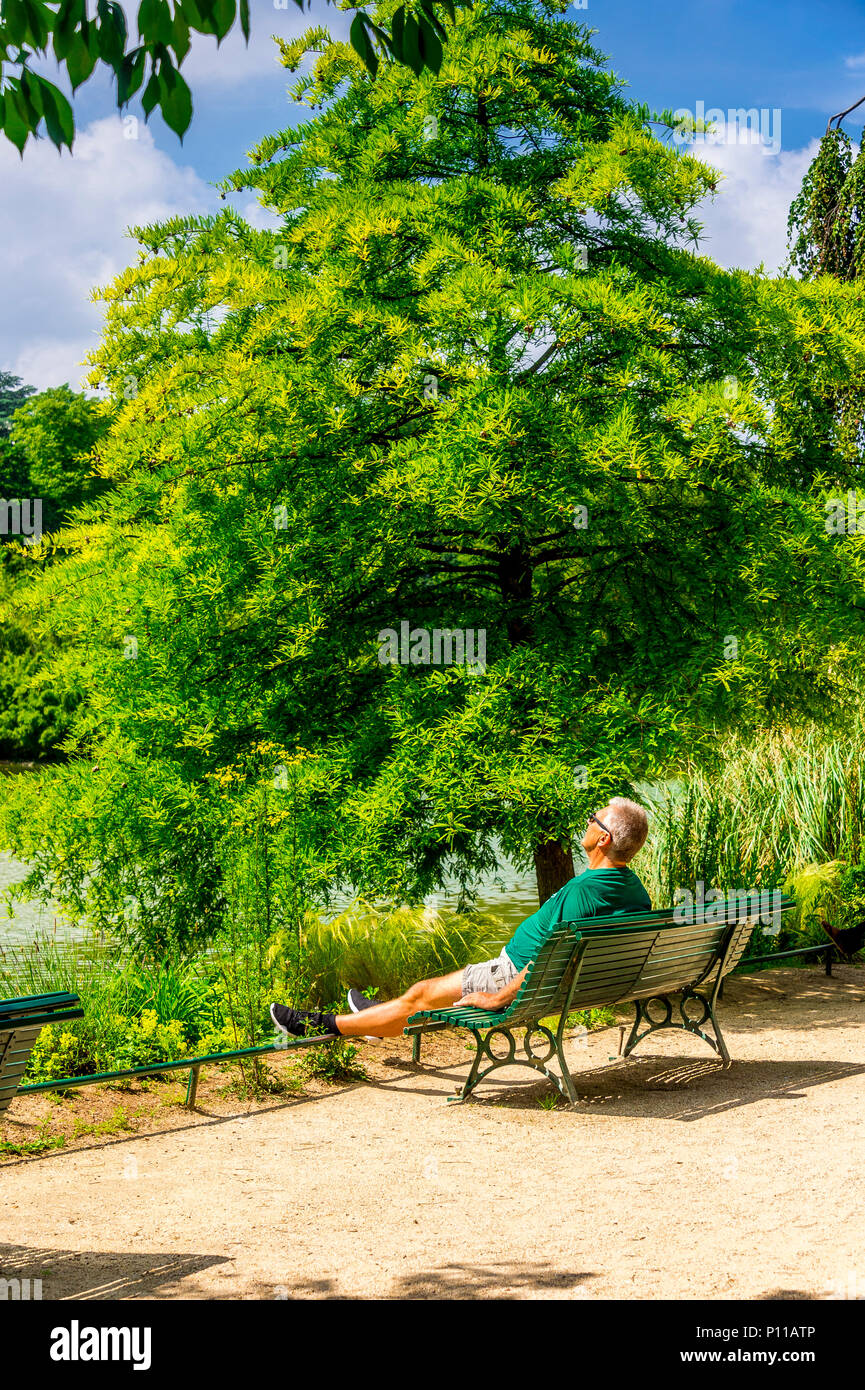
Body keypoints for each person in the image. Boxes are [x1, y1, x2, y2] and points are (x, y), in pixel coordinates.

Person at [270, 797, 651, 1040]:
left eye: (593, 820)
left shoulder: (586, 889)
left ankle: (319, 1024)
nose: (587, 823)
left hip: (513, 977)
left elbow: (548, 960)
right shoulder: (635, 890)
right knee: (416, 997)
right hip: (578, 990)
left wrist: (497, 997)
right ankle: (378, 1017)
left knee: (420, 994)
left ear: (602, 840)